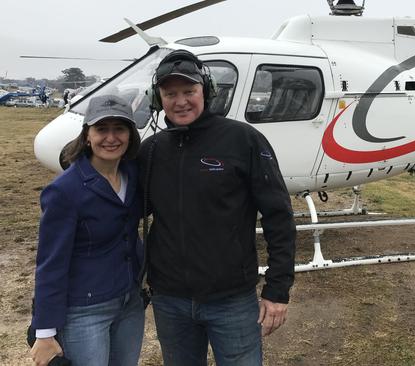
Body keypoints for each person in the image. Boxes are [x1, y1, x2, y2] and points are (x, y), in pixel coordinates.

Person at [139, 49, 296, 365]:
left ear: (205, 92)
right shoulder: (151, 150)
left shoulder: (244, 140)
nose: (180, 101)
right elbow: (124, 212)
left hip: (232, 299)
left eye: (189, 91)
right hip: (170, 299)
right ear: (158, 100)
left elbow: (279, 217)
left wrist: (277, 289)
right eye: (170, 93)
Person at [29, 95, 144, 366]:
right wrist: (44, 332)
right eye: (102, 129)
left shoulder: (132, 174)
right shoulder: (64, 191)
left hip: (130, 301)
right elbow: (50, 263)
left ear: (130, 135)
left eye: (120, 129)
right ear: (87, 136)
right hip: (85, 309)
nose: (111, 137)